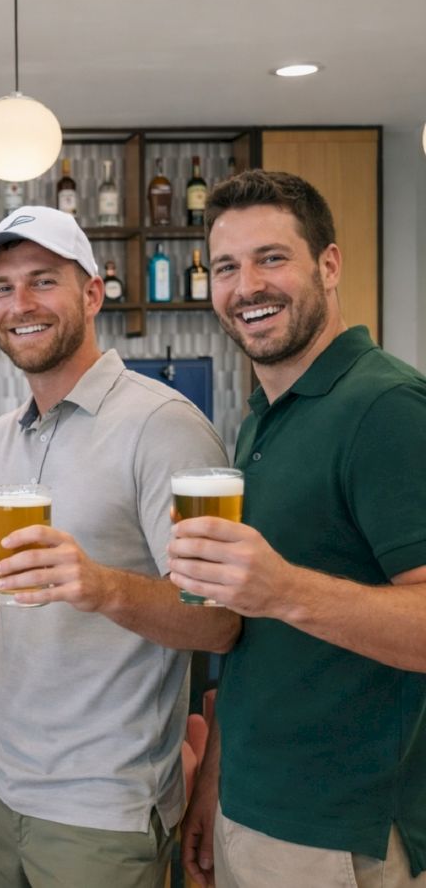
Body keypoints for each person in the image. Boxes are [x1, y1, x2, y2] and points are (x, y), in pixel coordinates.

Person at [0, 207, 240, 888]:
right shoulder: (4, 434)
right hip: (1, 782)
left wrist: (99, 584)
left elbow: (219, 622)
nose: (19, 304)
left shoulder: (162, 427)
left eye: (42, 281)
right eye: (2, 287)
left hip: (103, 807)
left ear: (91, 293)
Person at [172, 170, 426, 888]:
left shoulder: (387, 408)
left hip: (341, 832)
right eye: (226, 267)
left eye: (271, 258)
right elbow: (259, 650)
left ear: (329, 264)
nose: (247, 285)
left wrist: (281, 588)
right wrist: (217, 780)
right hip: (255, 809)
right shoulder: (264, 417)